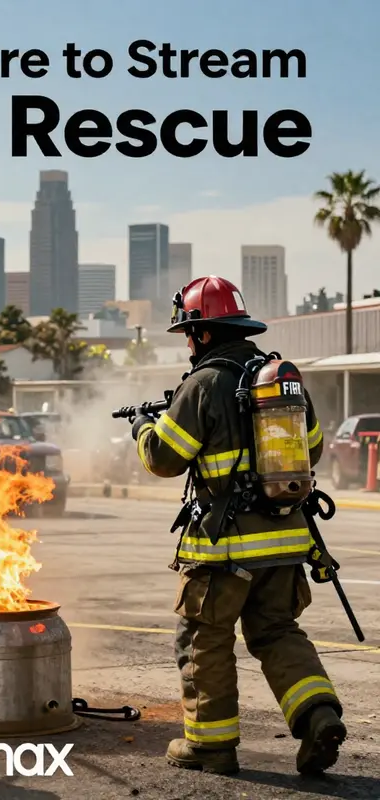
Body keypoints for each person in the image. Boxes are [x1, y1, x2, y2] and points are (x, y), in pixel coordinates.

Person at [132, 275, 346, 776]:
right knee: (276, 631)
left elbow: (164, 458)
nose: (187, 343)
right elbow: (311, 448)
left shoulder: (203, 384)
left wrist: (144, 427)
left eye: (188, 333)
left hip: (224, 549)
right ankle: (318, 714)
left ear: (204, 333)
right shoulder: (277, 378)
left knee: (202, 637)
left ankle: (211, 746)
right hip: (287, 541)